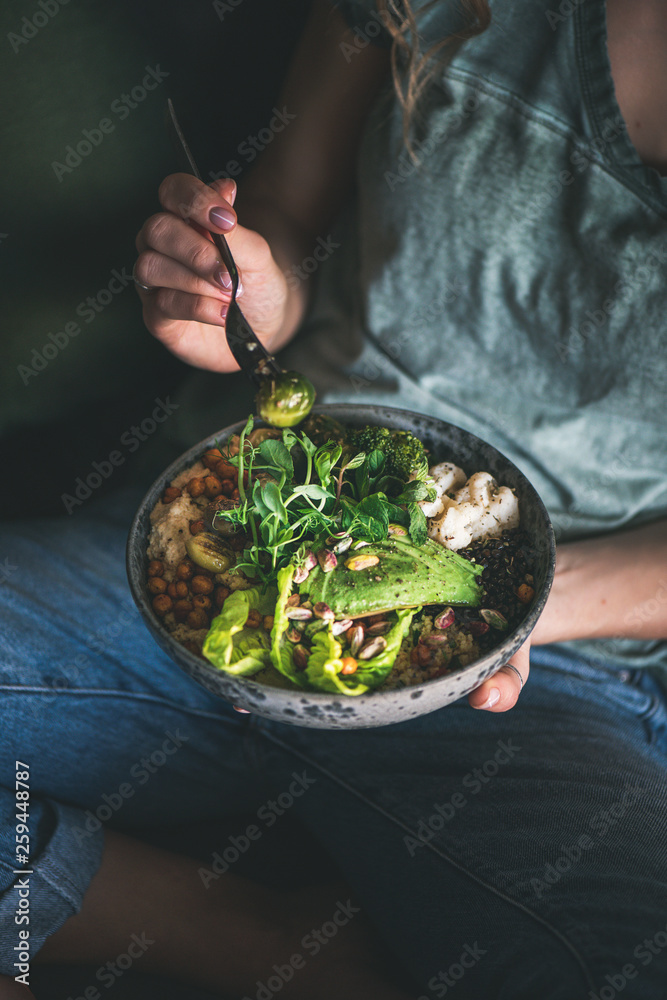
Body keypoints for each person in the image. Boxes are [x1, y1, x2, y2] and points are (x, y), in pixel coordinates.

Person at [2, 1, 666, 997]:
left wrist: (501, 607)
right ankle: (243, 934)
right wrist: (246, 297)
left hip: (541, 665)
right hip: (224, 538)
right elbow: (288, 213)